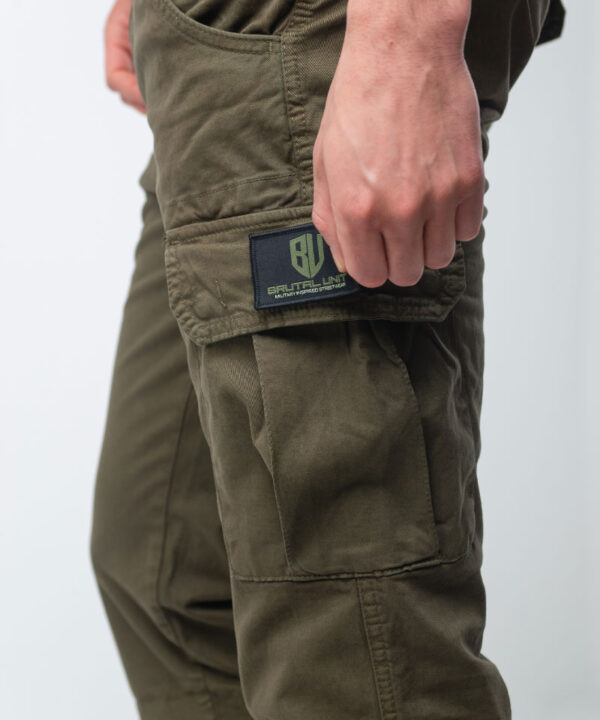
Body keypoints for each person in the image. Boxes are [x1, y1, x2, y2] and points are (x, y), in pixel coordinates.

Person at [91, 1, 565, 718]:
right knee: (171, 579)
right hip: (211, 47)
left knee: (352, 647)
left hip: (317, 27)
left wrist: (407, 29)